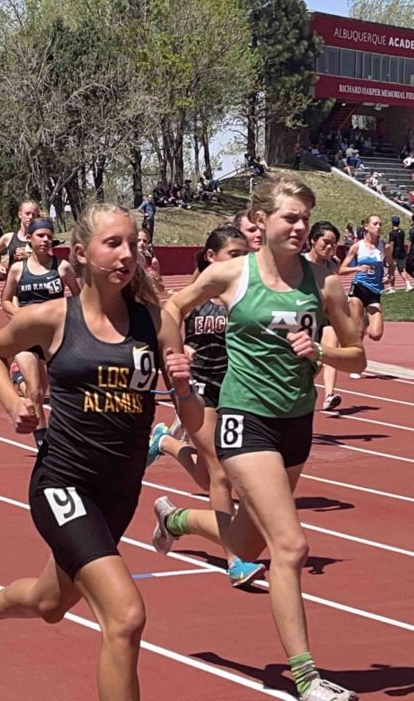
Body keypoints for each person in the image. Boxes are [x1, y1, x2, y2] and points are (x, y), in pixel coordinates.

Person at [0, 204, 187, 701]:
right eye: (113, 243)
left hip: (119, 493)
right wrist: (13, 401)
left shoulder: (157, 323)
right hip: (62, 484)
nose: (127, 254)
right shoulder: (55, 317)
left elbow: (189, 406)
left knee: (50, 603)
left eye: (133, 243)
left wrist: (193, 411)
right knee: (125, 616)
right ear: (81, 254)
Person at [151, 176, 364, 701]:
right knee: (289, 546)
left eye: (305, 219)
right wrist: (176, 363)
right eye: (290, 217)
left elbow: (358, 357)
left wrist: (322, 353)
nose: (299, 227)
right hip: (245, 419)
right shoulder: (231, 275)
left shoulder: (325, 283)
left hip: (296, 424)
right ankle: (307, 677)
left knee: (245, 539)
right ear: (261, 223)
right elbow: (172, 309)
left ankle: (175, 519)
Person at [145, 225, 267, 586]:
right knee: (217, 474)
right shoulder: (189, 298)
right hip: (199, 389)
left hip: (237, 389)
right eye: (234, 255)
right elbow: (167, 329)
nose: (242, 262)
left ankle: (166, 445)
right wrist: (179, 351)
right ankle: (235, 560)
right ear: (211, 258)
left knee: (210, 474)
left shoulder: (246, 296)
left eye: (246, 255)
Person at [0, 217, 81, 446]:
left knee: (58, 392)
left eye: (49, 236)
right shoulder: (18, 270)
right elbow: (5, 300)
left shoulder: (62, 267)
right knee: (35, 393)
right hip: (27, 338)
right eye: (40, 235)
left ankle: (60, 433)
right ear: (29, 238)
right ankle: (43, 443)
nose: (46, 240)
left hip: (55, 337)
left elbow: (79, 298)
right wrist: (19, 316)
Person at [306, 221, 344, 411]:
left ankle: (329, 395)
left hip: (325, 315)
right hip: (303, 318)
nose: (329, 247)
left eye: (333, 244)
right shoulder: (298, 262)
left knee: (328, 353)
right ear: (313, 240)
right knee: (309, 360)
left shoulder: (331, 266)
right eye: (326, 242)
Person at [340, 215, 391, 343]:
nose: (378, 227)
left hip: (374, 291)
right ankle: (355, 359)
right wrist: (356, 269)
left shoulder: (384, 247)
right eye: (375, 224)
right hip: (358, 287)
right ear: (366, 226)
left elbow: (392, 264)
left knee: (376, 334)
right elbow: (342, 270)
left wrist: (390, 276)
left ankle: (365, 320)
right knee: (358, 332)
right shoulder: (357, 246)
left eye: (380, 224)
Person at [0, 200, 40, 279]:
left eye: (33, 215)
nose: (30, 217)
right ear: (20, 214)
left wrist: (29, 256)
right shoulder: (9, 237)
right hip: (15, 286)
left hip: (35, 284)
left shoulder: (41, 238)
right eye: (27, 213)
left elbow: (49, 261)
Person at [136, 228, 166, 297]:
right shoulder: (127, 259)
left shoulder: (152, 263)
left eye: (144, 241)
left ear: (147, 245)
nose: (141, 243)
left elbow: (161, 289)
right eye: (138, 240)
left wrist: (156, 278)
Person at [386, 215, 407, 293]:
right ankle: (408, 284)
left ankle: (392, 288)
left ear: (392, 223)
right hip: (402, 253)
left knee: (391, 271)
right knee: (401, 270)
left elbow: (392, 244)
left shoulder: (392, 233)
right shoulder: (402, 232)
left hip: (395, 254)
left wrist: (390, 255)